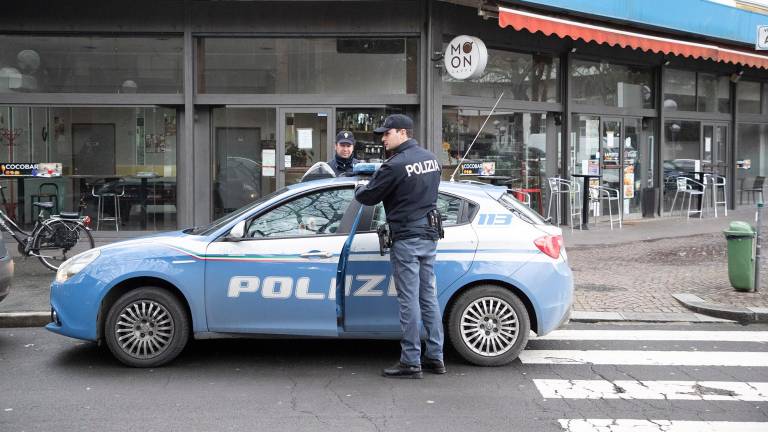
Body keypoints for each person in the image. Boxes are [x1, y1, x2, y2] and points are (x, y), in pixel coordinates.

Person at [354, 114, 445, 379]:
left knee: (408, 300)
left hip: (407, 237)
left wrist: (359, 186)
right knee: (428, 298)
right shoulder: (430, 158)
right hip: (429, 235)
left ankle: (411, 361)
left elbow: (369, 197)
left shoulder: (395, 165)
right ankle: (436, 358)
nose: (383, 138)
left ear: (402, 133)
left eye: (386, 133)